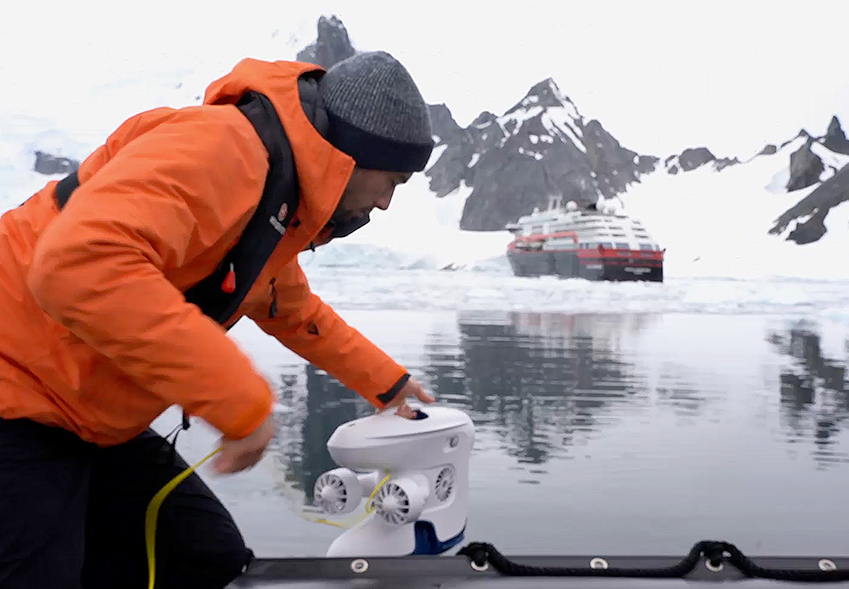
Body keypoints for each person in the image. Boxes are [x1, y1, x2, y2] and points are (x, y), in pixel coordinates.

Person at [0, 50, 436, 589]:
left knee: (205, 558)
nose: (387, 203)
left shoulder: (279, 200)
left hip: (88, 417)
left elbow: (291, 309)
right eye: (392, 180)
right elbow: (78, 263)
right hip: (18, 395)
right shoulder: (224, 150)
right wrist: (239, 404)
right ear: (353, 156)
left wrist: (388, 384)